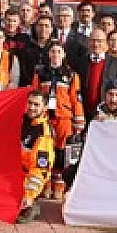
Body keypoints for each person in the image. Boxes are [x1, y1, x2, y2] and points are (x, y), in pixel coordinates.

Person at [32, 41, 84, 195]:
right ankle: (45, 182)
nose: (55, 54)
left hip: (64, 118)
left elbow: (76, 98)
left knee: (62, 151)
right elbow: (34, 94)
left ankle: (59, 183)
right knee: (45, 149)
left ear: (64, 54)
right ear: (48, 54)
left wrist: (79, 120)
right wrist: (33, 114)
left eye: (59, 51)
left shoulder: (71, 75)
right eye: (53, 51)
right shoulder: (40, 73)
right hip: (45, 118)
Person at [17, 90, 54, 224]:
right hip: (14, 172)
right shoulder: (21, 120)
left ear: (45, 107)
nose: (32, 107)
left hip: (29, 176)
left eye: (36, 105)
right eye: (30, 103)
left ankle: (32, 204)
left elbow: (39, 170)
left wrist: (29, 195)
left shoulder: (43, 133)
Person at [76, 29, 117, 123]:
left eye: (99, 41)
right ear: (88, 42)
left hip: (107, 115)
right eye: (93, 40)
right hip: (84, 113)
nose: (96, 44)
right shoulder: (81, 62)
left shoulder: (116, 63)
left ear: (106, 43)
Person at [18, 15, 53, 87]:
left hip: (49, 86)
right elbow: (23, 71)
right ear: (36, 27)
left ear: (51, 29)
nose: (43, 28)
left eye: (46, 26)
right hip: (29, 87)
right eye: (40, 25)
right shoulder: (26, 48)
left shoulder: (56, 49)